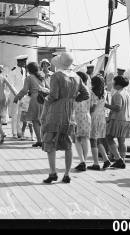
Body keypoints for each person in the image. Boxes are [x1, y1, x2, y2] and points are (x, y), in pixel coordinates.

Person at [41, 52, 90, 184]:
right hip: (70, 114)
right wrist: (72, 99)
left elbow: (54, 95)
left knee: (49, 142)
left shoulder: (57, 76)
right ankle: (67, 174)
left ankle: (53, 172)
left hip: (55, 112)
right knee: (68, 144)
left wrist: (45, 98)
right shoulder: (77, 77)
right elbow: (86, 94)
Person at [13, 62, 49, 147]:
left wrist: (17, 97)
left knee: (35, 120)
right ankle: (44, 140)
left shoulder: (29, 78)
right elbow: (48, 88)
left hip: (35, 99)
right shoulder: (42, 77)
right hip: (44, 98)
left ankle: (40, 141)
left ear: (28, 70)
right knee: (42, 120)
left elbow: (24, 90)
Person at [104, 75, 130, 169]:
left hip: (118, 119)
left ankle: (118, 158)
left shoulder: (117, 94)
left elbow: (117, 107)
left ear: (119, 84)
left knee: (108, 137)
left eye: (114, 82)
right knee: (122, 141)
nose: (113, 83)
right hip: (127, 119)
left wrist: (105, 105)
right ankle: (122, 160)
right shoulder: (127, 94)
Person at [88, 75, 111, 170]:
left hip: (94, 118)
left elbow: (92, 108)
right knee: (98, 140)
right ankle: (106, 159)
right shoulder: (105, 92)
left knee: (93, 140)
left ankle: (96, 163)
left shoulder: (92, 93)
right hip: (102, 118)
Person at [73, 72, 92, 171]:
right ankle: (83, 161)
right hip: (86, 115)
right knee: (85, 139)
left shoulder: (76, 90)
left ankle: (82, 161)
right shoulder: (88, 90)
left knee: (77, 139)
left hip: (77, 116)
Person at [7, 55, 28, 139]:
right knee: (15, 114)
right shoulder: (13, 71)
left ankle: (19, 132)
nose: (25, 63)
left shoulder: (24, 70)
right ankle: (14, 133)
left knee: (21, 114)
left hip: (22, 95)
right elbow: (10, 84)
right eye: (24, 62)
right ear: (19, 62)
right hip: (15, 95)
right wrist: (17, 95)